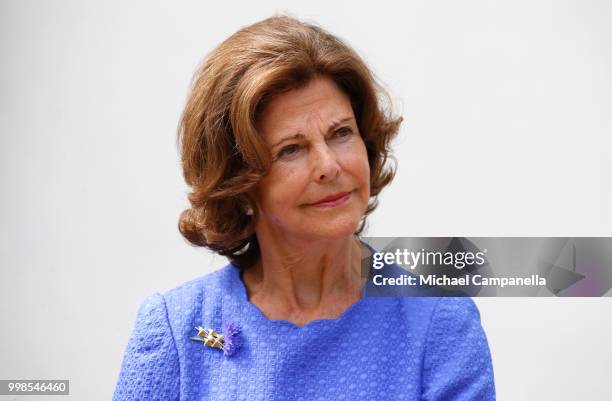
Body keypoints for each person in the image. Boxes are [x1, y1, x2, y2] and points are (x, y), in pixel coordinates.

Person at [112, 15, 496, 401]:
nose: (330, 166)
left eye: (341, 133)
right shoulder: (180, 331)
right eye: (291, 149)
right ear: (238, 180)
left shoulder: (437, 324)